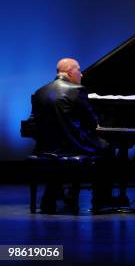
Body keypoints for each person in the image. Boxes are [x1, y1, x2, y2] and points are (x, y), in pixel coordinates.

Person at [31, 58, 113, 213]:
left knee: (58, 151)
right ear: (70, 72)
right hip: (73, 146)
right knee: (107, 149)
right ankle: (102, 200)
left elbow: (37, 122)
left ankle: (50, 195)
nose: (81, 74)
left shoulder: (39, 92)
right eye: (79, 70)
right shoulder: (77, 90)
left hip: (46, 146)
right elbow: (91, 121)